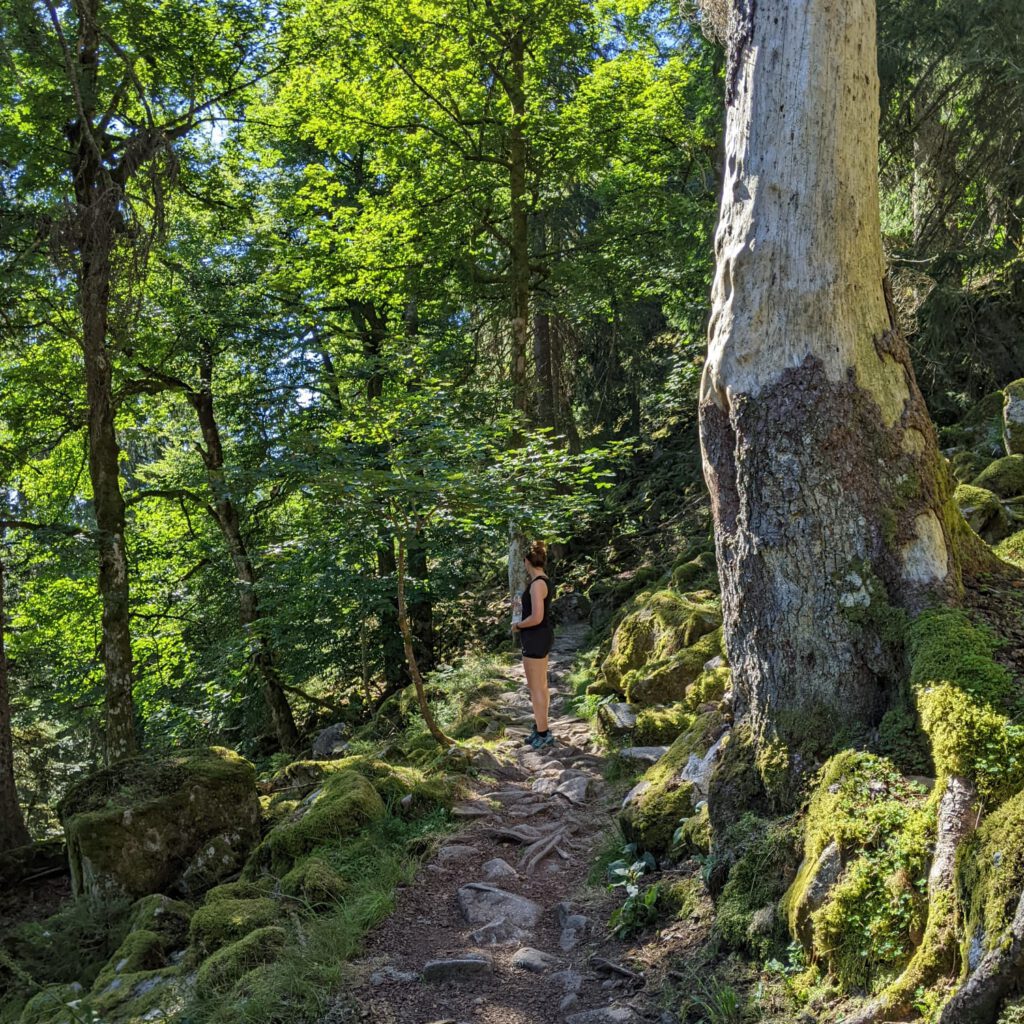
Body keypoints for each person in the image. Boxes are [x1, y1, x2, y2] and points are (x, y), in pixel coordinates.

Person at [512, 540, 555, 750]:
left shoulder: (538, 583)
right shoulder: (544, 580)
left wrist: (518, 625)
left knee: (536, 687)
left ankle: (543, 732)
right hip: (540, 636)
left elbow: (537, 616)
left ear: (527, 561)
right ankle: (541, 725)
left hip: (535, 636)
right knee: (541, 686)